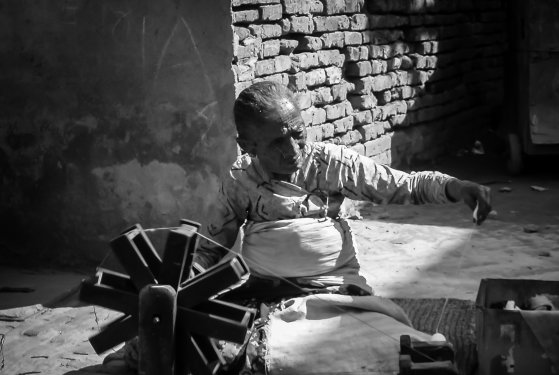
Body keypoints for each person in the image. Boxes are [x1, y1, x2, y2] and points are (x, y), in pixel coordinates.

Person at [192, 80, 492, 300]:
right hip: (264, 293)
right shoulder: (240, 180)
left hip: (336, 289)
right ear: (249, 146)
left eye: (298, 134)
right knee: (215, 343)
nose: (293, 149)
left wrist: (456, 187)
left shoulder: (332, 163)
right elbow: (209, 247)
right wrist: (183, 277)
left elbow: (402, 185)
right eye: (277, 142)